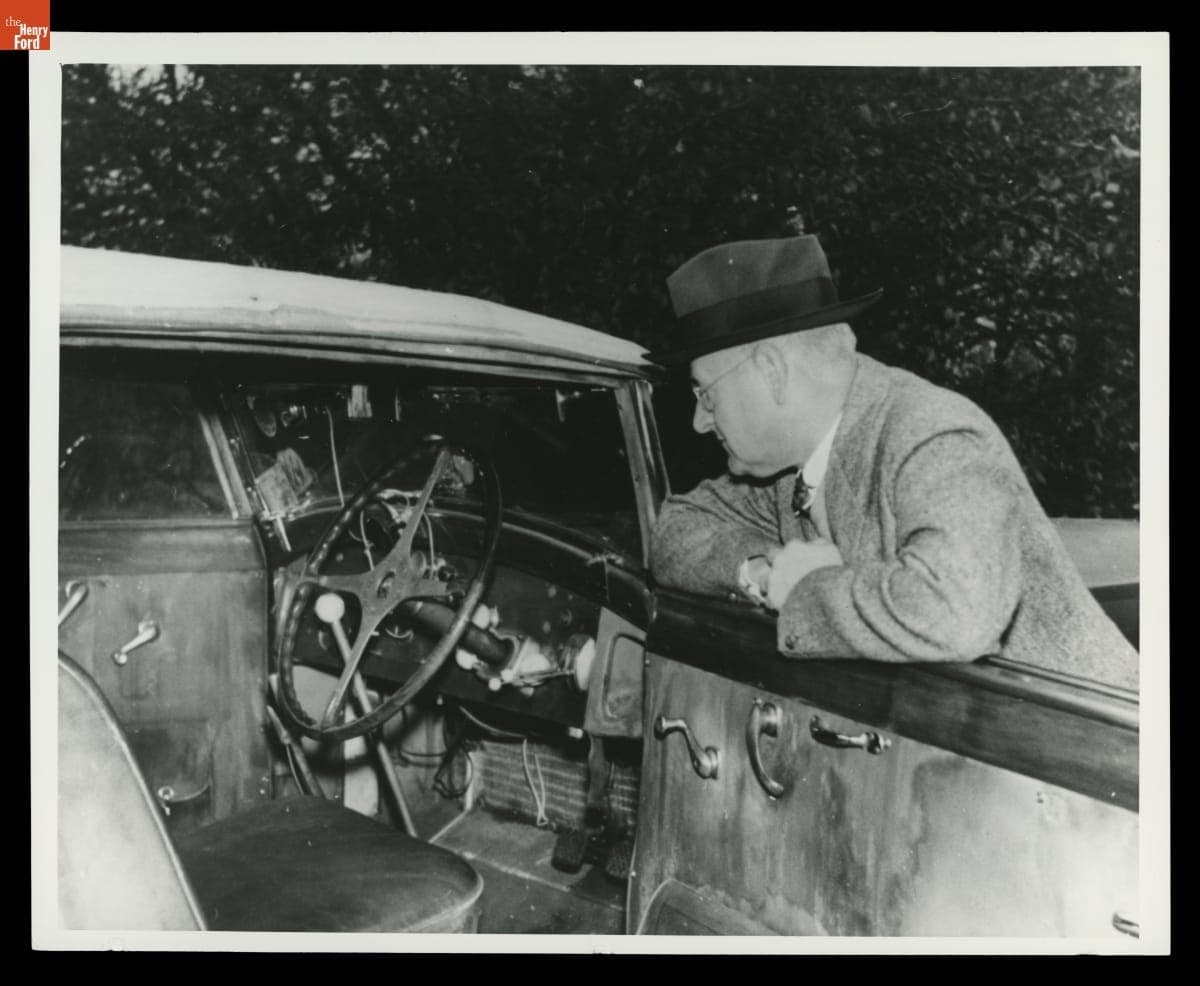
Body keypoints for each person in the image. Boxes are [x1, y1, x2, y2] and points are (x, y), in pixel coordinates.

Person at [648, 235, 1138, 689]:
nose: (698, 421)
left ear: (772, 371)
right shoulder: (783, 473)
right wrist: (760, 572)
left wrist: (804, 590)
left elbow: (958, 611)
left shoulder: (933, 434)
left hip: (1102, 758)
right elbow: (674, 529)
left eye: (706, 395)